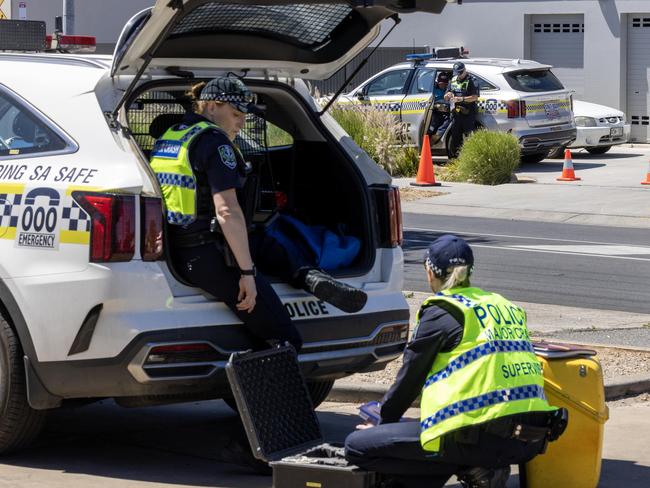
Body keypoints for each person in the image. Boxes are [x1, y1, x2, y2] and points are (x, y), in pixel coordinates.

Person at [150, 76, 366, 353]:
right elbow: (227, 211)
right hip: (210, 255)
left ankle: (310, 278)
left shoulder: (172, 137)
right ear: (212, 106)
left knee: (265, 243)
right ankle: (269, 391)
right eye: (236, 114)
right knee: (286, 341)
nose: (241, 122)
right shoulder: (214, 143)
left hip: (182, 248)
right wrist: (247, 275)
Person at [345, 235, 566, 488]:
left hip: (477, 438)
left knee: (357, 447)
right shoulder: (504, 306)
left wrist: (380, 424)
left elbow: (410, 380)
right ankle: (476, 468)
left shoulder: (442, 311)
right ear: (470, 271)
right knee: (432, 448)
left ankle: (473, 467)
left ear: (430, 271)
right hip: (529, 439)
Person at [444, 62, 480, 158]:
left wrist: (461, 99)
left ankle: (471, 159)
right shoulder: (453, 80)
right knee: (455, 138)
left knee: (469, 138)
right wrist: (448, 96)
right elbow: (446, 94)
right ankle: (455, 161)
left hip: (468, 114)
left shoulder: (472, 80)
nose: (459, 75)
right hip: (456, 114)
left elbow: (475, 97)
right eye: (457, 73)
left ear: (465, 70)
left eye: (461, 72)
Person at [428, 72, 451, 144]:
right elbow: (428, 102)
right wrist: (435, 106)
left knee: (447, 122)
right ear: (437, 82)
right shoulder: (433, 90)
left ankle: (434, 139)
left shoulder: (450, 91)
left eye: (445, 84)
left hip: (447, 113)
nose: (443, 86)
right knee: (432, 126)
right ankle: (427, 140)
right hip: (435, 112)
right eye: (441, 84)